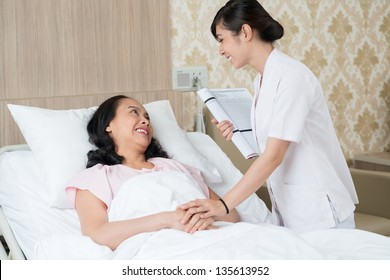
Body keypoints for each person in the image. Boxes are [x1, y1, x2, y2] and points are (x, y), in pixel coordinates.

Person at [181, 0, 358, 233]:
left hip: (319, 212)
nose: (221, 50)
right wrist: (239, 133)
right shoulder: (262, 80)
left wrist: (223, 205)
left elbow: (274, 156)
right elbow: (272, 145)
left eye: (222, 39)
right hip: (290, 210)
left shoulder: (292, 77)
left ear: (245, 32)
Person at [65, 95, 240, 250]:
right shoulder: (96, 177)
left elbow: (231, 214)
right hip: (161, 249)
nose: (145, 121)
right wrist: (169, 219)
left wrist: (204, 218)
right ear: (108, 125)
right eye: (134, 112)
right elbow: (97, 235)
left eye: (147, 117)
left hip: (215, 239)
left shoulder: (175, 168)